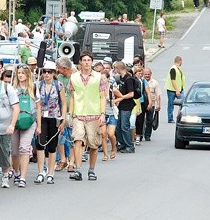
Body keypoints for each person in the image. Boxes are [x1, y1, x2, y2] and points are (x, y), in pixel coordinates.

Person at [68, 51, 107, 181]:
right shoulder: (74, 77)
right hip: (78, 114)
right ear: (80, 62)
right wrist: (71, 114)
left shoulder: (99, 77)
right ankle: (78, 169)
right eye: (84, 60)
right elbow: (72, 96)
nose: (86, 62)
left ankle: (91, 169)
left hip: (94, 114)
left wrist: (102, 114)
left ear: (92, 62)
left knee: (94, 144)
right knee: (77, 140)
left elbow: (103, 96)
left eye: (88, 60)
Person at [34, 61, 67, 184]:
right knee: (40, 143)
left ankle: (50, 172)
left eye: (49, 72)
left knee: (52, 146)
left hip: (54, 117)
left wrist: (63, 119)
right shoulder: (38, 85)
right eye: (44, 71)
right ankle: (41, 171)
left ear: (53, 73)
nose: (46, 74)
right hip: (41, 116)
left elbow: (63, 103)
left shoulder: (58, 85)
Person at [10, 64, 41, 187]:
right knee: (14, 151)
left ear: (28, 74)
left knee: (24, 148)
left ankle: (23, 177)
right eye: (19, 73)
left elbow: (38, 108)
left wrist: (38, 125)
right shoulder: (13, 89)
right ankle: (16, 172)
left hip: (29, 122)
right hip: (15, 122)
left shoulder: (33, 88)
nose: (21, 75)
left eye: (23, 73)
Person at [113, 62, 135, 154]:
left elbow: (131, 94)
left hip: (127, 105)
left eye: (115, 68)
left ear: (118, 68)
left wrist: (121, 97)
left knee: (124, 126)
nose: (114, 70)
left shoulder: (128, 79)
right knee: (118, 127)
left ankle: (130, 146)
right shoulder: (121, 78)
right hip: (121, 105)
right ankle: (122, 144)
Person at [166, 56, 186, 123]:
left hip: (179, 89)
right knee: (171, 104)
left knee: (183, 102)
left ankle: (181, 116)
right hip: (172, 90)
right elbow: (173, 80)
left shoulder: (177, 69)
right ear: (180, 61)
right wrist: (177, 90)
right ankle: (170, 118)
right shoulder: (173, 69)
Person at [143, 68, 161, 141]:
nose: (147, 76)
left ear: (151, 74)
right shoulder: (140, 81)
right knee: (140, 120)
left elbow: (158, 94)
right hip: (142, 103)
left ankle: (147, 135)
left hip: (152, 104)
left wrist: (158, 105)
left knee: (149, 120)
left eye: (148, 74)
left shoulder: (155, 83)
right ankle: (140, 135)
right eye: (145, 74)